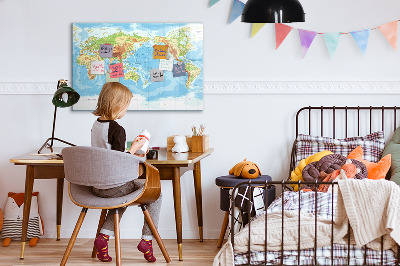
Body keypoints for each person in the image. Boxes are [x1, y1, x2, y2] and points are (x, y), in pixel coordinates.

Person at [91, 82, 161, 263]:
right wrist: (136, 148)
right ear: (117, 105)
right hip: (114, 186)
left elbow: (108, 154)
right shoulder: (117, 129)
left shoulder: (96, 125)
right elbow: (119, 161)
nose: (125, 110)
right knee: (156, 194)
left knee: (121, 197)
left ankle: (103, 238)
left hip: (97, 186)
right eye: (126, 106)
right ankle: (147, 240)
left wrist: (131, 150)